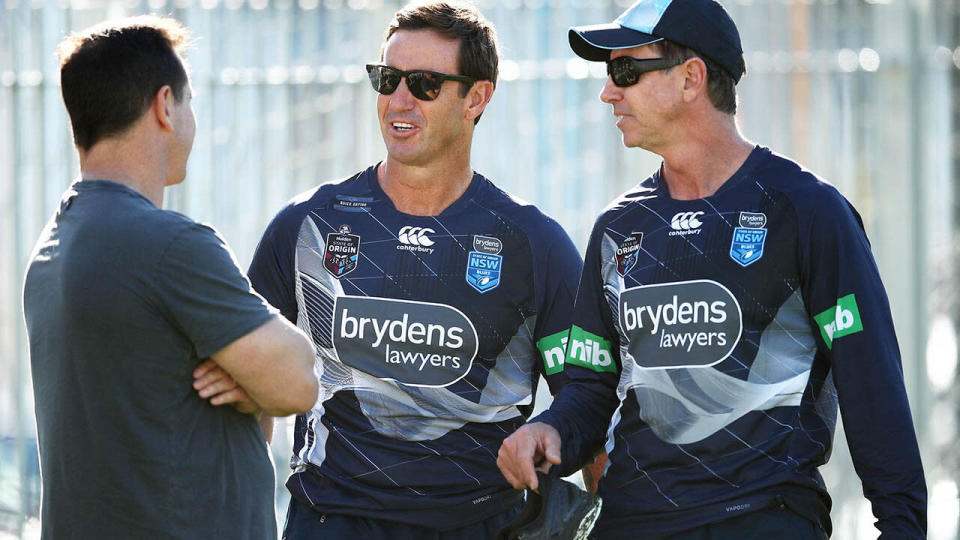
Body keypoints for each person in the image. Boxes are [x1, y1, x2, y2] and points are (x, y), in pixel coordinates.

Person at [497, 0, 927, 538]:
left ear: (690, 78)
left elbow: (872, 386)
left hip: (764, 520)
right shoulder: (617, 227)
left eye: (625, 71)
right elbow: (590, 388)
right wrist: (551, 427)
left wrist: (903, 525)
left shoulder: (806, 210)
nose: (608, 91)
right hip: (634, 521)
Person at [247, 2, 582, 538]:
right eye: (387, 79)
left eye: (424, 83)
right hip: (332, 521)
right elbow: (249, 386)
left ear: (477, 96)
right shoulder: (306, 224)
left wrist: (553, 428)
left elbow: (586, 392)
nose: (398, 100)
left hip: (481, 523)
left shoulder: (533, 243)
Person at [22, 16, 317, 539]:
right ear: (164, 106)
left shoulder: (54, 245)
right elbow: (298, 382)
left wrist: (254, 383)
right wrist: (256, 381)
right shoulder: (171, 245)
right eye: (189, 101)